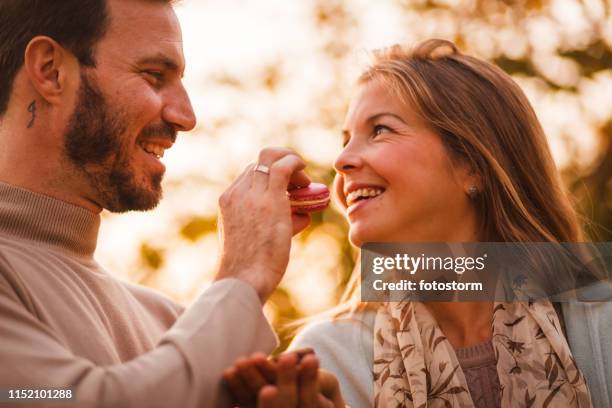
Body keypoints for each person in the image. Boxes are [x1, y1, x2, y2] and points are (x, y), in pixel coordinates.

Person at [224, 39, 612, 407]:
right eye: (344, 139)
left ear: (473, 165)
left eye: (380, 129)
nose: (341, 160)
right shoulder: (328, 360)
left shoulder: (601, 330)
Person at [0, 0, 326, 407]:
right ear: (50, 70)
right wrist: (242, 277)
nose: (185, 116)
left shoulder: (170, 323)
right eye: (154, 77)